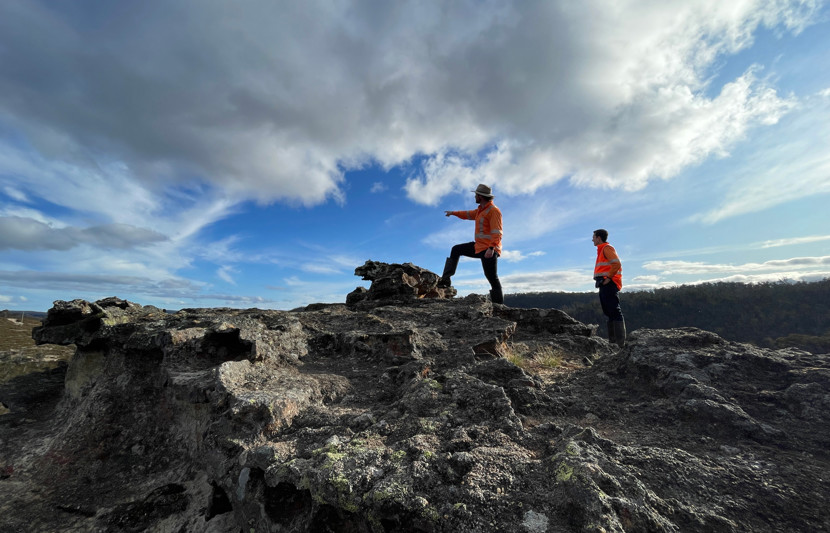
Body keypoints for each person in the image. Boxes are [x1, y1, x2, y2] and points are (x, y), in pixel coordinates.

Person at [439, 184, 504, 305]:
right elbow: (467, 214)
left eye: (476, 195)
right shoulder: (480, 210)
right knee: (456, 249)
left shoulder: (494, 211)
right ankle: (445, 280)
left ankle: (499, 306)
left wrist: (491, 248)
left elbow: (497, 232)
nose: (474, 196)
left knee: (492, 277)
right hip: (478, 247)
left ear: (481, 196)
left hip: (489, 249)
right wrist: (453, 213)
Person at [592, 228, 626, 348]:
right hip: (604, 284)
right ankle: (613, 343)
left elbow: (616, 264)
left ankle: (619, 344)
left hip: (609, 284)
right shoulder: (601, 250)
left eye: (594, 237)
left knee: (614, 311)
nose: (592, 240)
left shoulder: (607, 248)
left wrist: (609, 279)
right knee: (609, 311)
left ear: (599, 238)